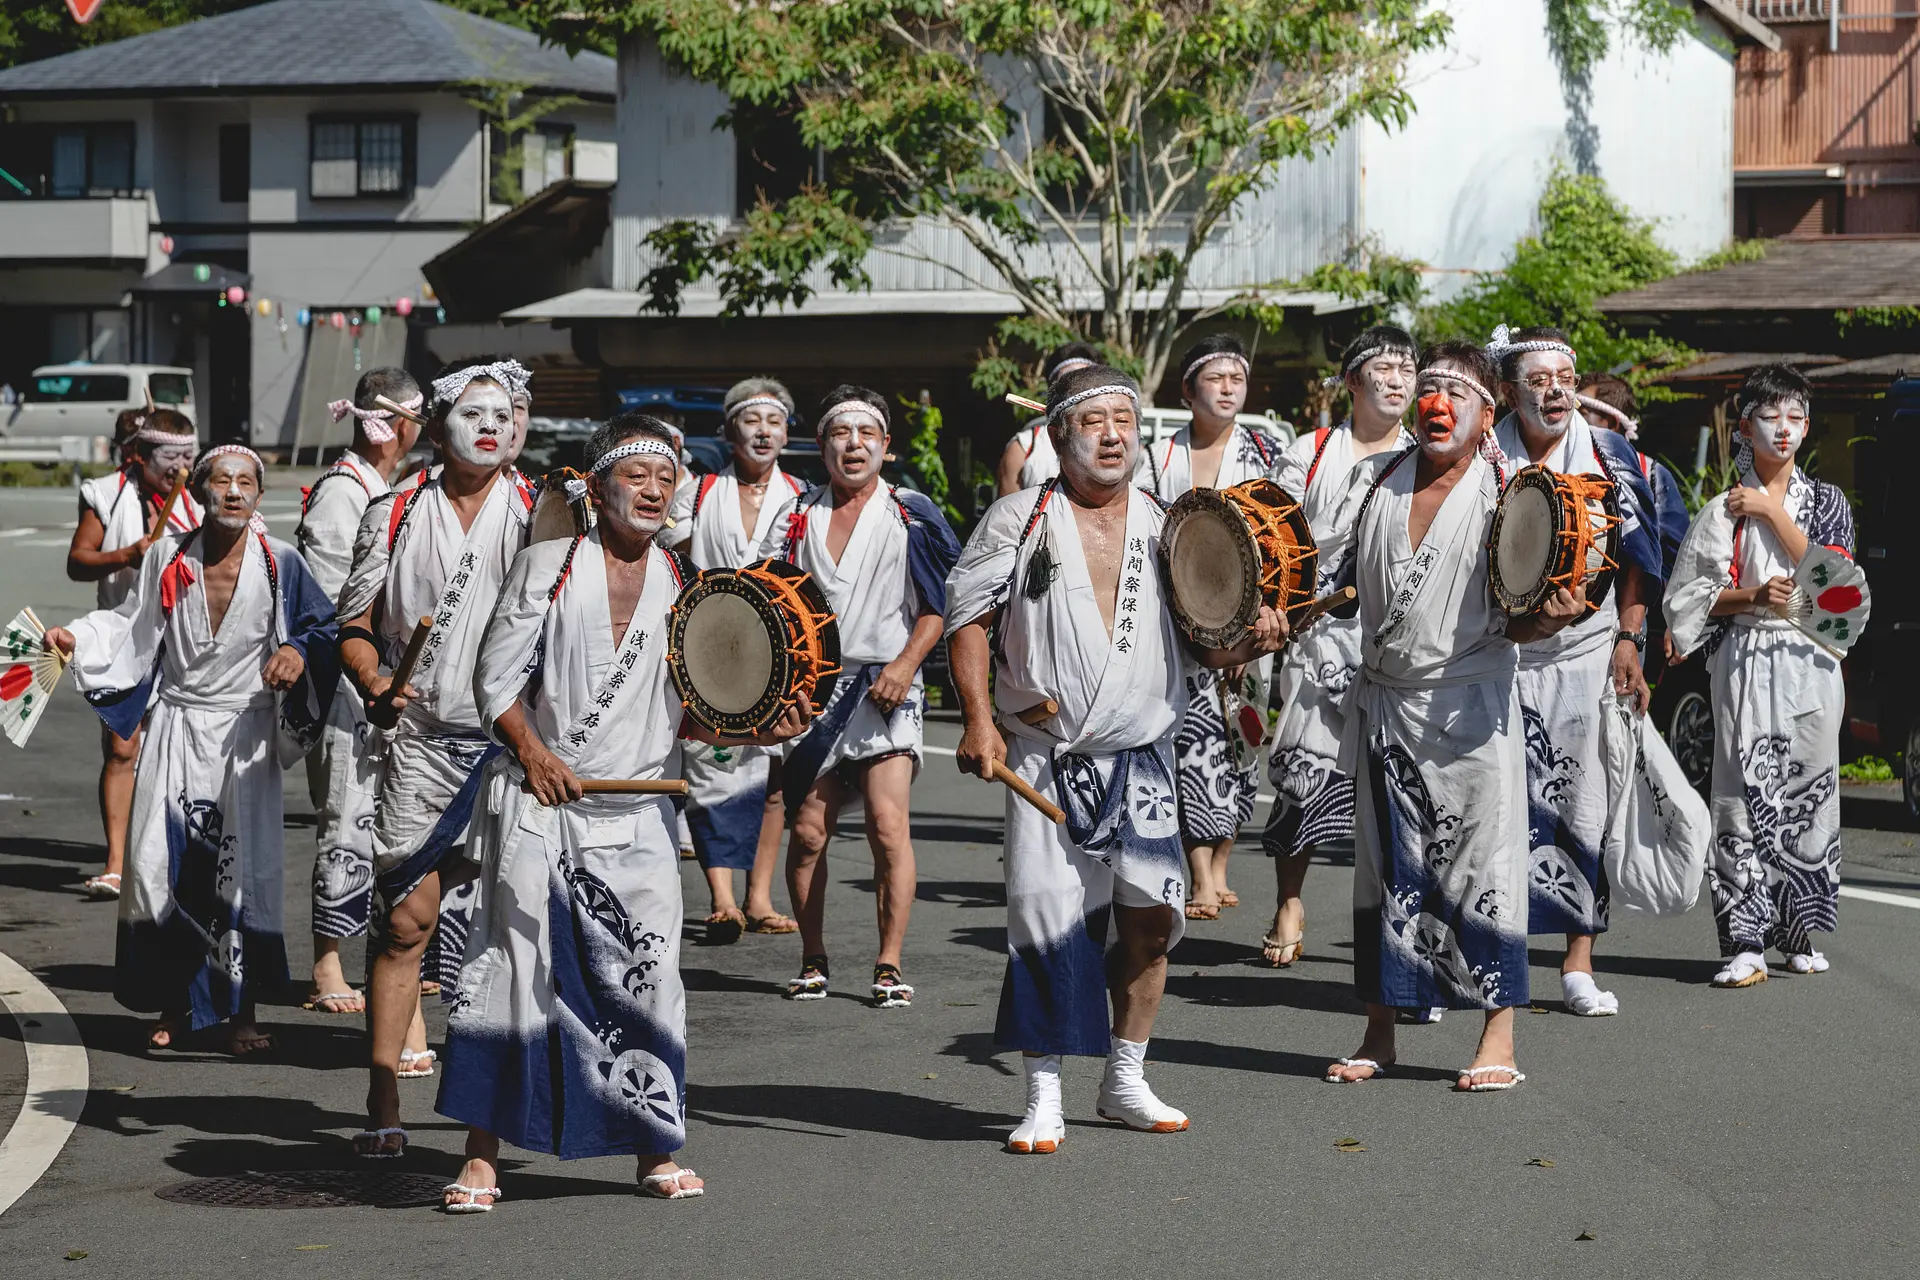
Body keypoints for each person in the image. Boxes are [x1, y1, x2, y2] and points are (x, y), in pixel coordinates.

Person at [436, 414, 813, 1212]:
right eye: (636, 475)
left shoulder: (683, 584)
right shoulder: (547, 564)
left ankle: (653, 1145)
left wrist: (758, 724)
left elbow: (693, 715)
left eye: (666, 478)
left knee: (648, 979)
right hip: (542, 807)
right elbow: (494, 683)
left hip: (639, 811)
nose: (652, 490)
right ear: (598, 484)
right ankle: (481, 1157)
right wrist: (536, 756)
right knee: (514, 970)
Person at [947, 364, 1288, 1151]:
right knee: (1047, 925)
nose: (1111, 434)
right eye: (1093, 421)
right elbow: (967, 618)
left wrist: (1258, 634)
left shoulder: (1171, 524)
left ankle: (1125, 1077)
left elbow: (1209, 641)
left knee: (1150, 924)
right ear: (1059, 434)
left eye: (1124, 421)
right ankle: (1043, 1092)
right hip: (1044, 754)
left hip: (1141, 755)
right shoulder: (1017, 518)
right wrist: (976, 719)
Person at [1325, 341, 1584, 1092]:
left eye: (1456, 395)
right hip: (1386, 705)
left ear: (1487, 414)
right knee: (1382, 871)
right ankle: (1381, 1031)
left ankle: (1497, 1038)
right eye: (1429, 390)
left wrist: (1555, 620)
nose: (1437, 405)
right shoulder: (1372, 482)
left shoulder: (1517, 492)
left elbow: (1526, 621)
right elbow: (1326, 576)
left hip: (1470, 708)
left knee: (1483, 866)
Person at [46, 445, 336, 1054]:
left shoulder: (281, 563)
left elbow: (323, 627)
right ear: (201, 491)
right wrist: (77, 634)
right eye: (221, 481)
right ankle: (176, 1006)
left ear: (260, 494)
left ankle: (242, 1014)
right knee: (161, 869)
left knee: (245, 872)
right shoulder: (167, 558)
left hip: (246, 737)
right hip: (177, 727)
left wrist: (298, 652)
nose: (233, 491)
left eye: (245, 482)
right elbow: (130, 625)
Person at [336, 358, 535, 1157]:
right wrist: (376, 681)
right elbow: (352, 624)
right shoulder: (393, 511)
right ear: (436, 426)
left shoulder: (542, 512)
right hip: (421, 742)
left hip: (513, 746)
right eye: (471, 413)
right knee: (406, 922)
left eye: (502, 415)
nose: (489, 426)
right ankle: (384, 1093)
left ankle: (498, 1099)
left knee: (514, 927)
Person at [758, 386, 961, 1007]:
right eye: (841, 434)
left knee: (887, 823)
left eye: (867, 434)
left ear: (886, 447)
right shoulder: (794, 516)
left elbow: (939, 606)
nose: (854, 445)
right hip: (814, 689)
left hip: (889, 688)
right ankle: (813, 957)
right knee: (811, 830)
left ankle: (889, 963)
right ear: (819, 446)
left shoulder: (911, 513)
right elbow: (766, 605)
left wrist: (904, 665)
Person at [1490, 325, 1667, 1018]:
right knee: (1486, 806)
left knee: (1581, 805)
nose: (1555, 390)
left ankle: (1577, 961)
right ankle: (1474, 951)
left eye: (1565, 377)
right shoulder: (1481, 451)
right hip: (1495, 651)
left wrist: (1629, 637)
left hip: (1585, 651)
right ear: (1509, 390)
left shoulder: (1608, 451)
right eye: (1537, 380)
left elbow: (1637, 555)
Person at [1663, 364, 1856, 988]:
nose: (1784, 428)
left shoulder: (1826, 503)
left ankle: (1798, 928)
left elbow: (1843, 594)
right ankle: (1744, 938)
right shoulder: (1723, 511)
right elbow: (1686, 601)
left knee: (1809, 790)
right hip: (1749, 658)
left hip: (1811, 663)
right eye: (1770, 416)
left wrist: (1773, 514)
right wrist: (1750, 597)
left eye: (1796, 416)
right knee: (1740, 795)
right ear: (1744, 426)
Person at [1259, 326, 1416, 965]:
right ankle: (1290, 899)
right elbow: (1273, 537)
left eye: (1409, 367)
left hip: (1396, 635)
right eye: (1385, 367)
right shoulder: (1312, 451)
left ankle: (1391, 918)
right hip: (1316, 630)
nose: (1400, 379)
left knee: (1394, 786)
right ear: (1352, 381)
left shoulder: (1425, 454)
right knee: (1304, 768)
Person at [294, 368, 424, 1015]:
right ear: (393, 426)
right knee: (346, 815)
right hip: (351, 680)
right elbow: (330, 602)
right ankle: (326, 964)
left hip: (396, 675)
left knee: (395, 821)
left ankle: (394, 952)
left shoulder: (391, 488)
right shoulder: (344, 492)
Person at [661, 378, 807, 939]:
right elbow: (670, 551)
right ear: (728, 432)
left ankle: (760, 895)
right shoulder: (698, 492)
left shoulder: (801, 497)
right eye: (752, 422)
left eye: (774, 422)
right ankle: (722, 896)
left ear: (787, 433)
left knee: (771, 776)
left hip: (781, 650)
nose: (764, 432)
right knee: (709, 765)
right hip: (710, 642)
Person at [1149, 334, 1285, 920]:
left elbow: (1284, 529)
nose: (1229, 388)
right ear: (1187, 390)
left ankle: (1222, 862)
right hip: (1181, 620)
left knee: (1242, 741)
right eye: (1216, 378)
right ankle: (1197, 869)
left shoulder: (1265, 449)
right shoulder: (1157, 454)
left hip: (1249, 620)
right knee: (1190, 741)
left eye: (1238, 378)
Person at [64, 408, 204, 901]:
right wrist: (126, 555)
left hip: (183, 639)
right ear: (140, 455)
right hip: (121, 632)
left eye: (190, 455)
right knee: (123, 747)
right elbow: (78, 561)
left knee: (178, 751)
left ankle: (169, 857)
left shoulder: (199, 501)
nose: (181, 466)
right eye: (170, 456)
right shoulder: (105, 494)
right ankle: (117, 863)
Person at [1577, 372, 1691, 669]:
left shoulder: (1650, 475)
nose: (1572, 417)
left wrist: (1676, 621)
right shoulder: (1556, 463)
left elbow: (1677, 560)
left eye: (1582, 411)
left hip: (1622, 632)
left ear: (1613, 423)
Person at [996, 343, 1103, 496]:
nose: (1080, 390)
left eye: (1087, 380)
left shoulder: (1119, 441)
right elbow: (1008, 516)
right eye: (1069, 380)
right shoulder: (1024, 447)